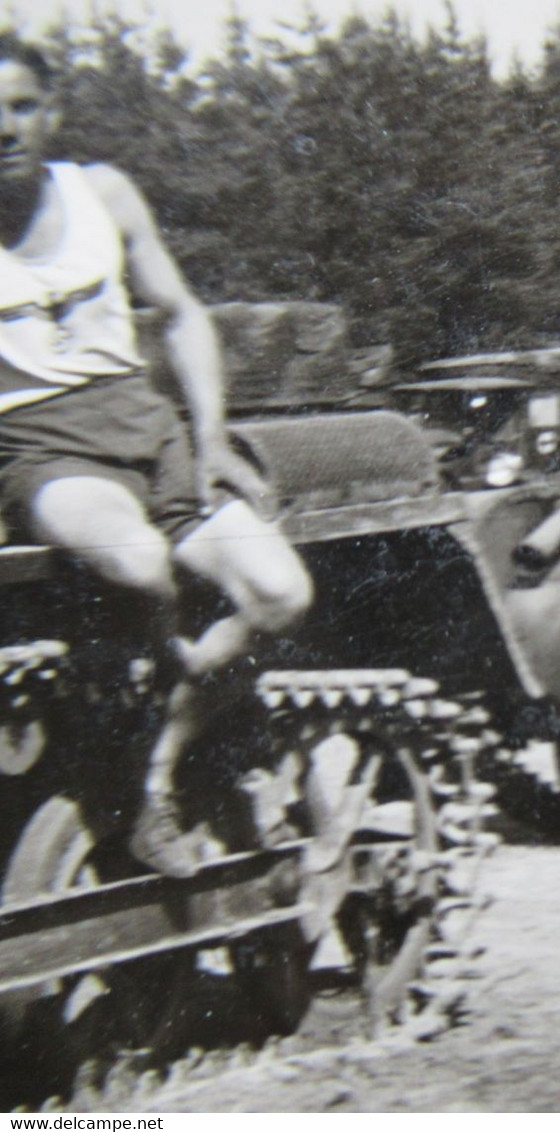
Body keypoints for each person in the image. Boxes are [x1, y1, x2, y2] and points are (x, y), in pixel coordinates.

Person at [0, 33, 313, 877]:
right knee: (139, 566)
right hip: (40, 445)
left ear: (51, 112)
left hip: (148, 429)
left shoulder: (103, 194)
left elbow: (179, 314)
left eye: (21, 106)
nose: (4, 128)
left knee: (279, 592)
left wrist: (209, 436)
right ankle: (152, 754)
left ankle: (159, 770)